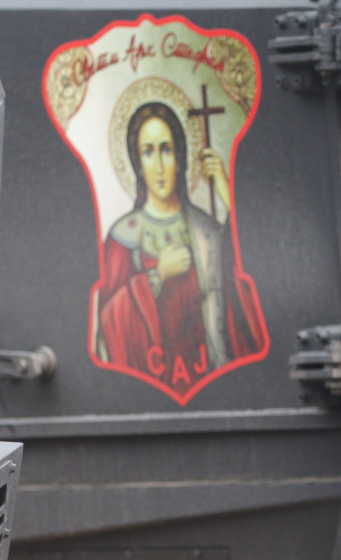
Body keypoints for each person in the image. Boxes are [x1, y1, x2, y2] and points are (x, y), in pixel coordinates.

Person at [95, 101, 263, 393]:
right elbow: (109, 319)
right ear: (137, 163)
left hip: (213, 381)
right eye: (148, 152)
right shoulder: (123, 237)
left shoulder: (206, 228)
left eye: (166, 150)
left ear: (180, 158)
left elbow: (243, 290)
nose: (159, 166)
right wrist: (157, 276)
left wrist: (228, 196)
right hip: (149, 386)